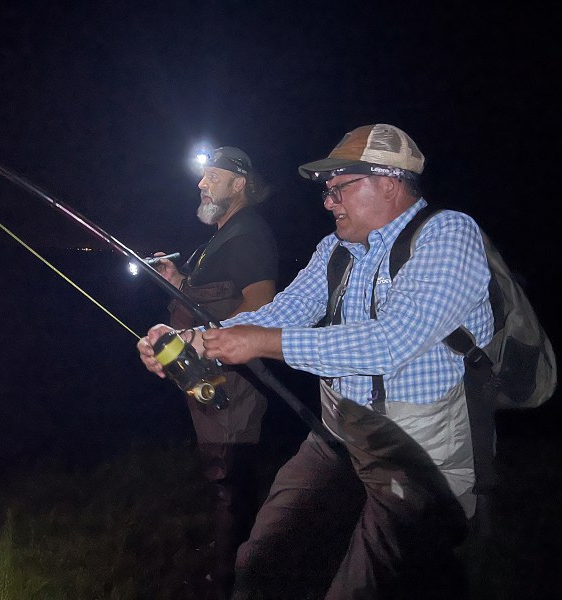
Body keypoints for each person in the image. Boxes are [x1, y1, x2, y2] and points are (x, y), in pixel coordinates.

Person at [138, 124, 493, 599]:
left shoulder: (449, 234)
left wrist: (263, 342)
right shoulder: (334, 250)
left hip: (417, 451)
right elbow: (277, 312)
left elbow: (390, 342)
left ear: (388, 182)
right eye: (327, 191)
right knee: (261, 564)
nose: (327, 202)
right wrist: (193, 340)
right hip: (339, 433)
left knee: (368, 585)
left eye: (339, 188)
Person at [151, 146, 277, 599]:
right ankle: (231, 557)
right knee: (221, 471)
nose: (201, 184)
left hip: (232, 380)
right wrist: (179, 282)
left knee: (231, 477)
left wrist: (205, 343)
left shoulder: (248, 235)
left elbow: (260, 306)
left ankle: (230, 578)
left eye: (212, 176)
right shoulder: (220, 237)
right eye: (201, 177)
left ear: (239, 183)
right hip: (206, 371)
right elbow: (211, 295)